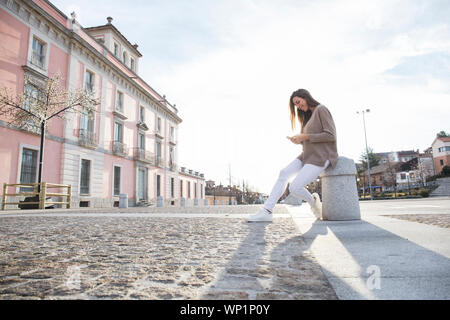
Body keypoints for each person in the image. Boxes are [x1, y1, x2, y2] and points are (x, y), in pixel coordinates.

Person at [247, 89, 338, 222]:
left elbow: (330, 136)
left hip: (321, 156)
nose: (298, 106)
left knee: (294, 187)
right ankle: (267, 211)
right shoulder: (308, 117)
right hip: (306, 155)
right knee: (283, 173)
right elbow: (311, 140)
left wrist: (305, 136)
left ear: (305, 97)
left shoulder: (321, 109)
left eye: (298, 102)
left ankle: (313, 201)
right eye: (295, 105)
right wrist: (299, 140)